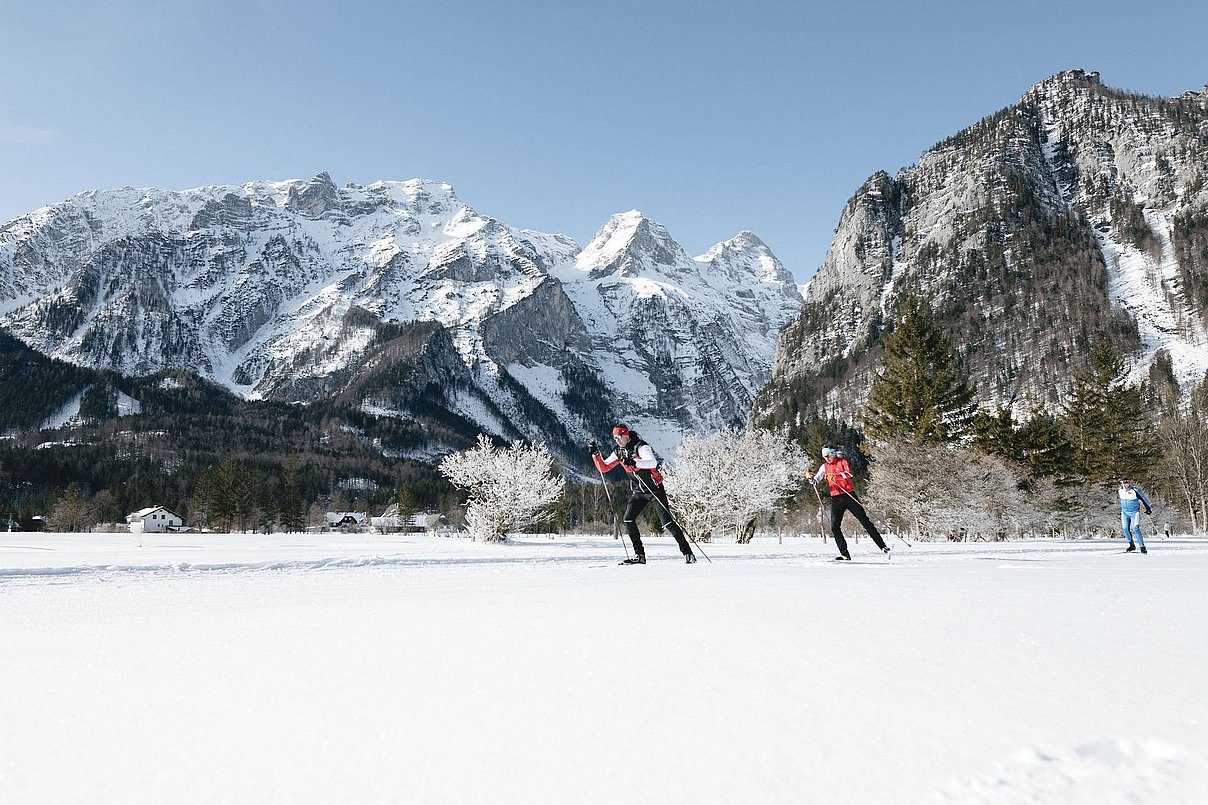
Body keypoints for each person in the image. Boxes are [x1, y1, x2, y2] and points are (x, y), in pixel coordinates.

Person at [590, 424, 696, 565]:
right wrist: (595, 454)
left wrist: (634, 461)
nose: (617, 440)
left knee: (667, 522)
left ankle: (688, 553)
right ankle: (639, 555)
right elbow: (604, 467)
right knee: (628, 519)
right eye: (615, 438)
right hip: (639, 492)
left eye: (619, 437)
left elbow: (652, 463)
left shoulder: (640, 447)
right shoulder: (618, 452)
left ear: (626, 435)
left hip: (654, 490)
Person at [810, 446, 889, 561]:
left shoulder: (842, 461)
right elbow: (816, 480)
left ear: (833, 454)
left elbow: (849, 473)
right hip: (836, 499)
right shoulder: (824, 467)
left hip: (849, 496)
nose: (826, 458)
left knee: (865, 521)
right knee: (834, 527)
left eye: (828, 456)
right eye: (824, 457)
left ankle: (883, 547)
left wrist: (836, 476)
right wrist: (811, 479)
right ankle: (845, 554)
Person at [1118, 477, 1153, 554]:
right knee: (1125, 528)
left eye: (1126, 482)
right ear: (1121, 483)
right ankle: (1131, 545)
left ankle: (1142, 547)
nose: (1125, 484)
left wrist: (1148, 508)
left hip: (1134, 512)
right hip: (1124, 512)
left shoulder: (1135, 490)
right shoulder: (1120, 491)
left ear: (1129, 483)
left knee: (1135, 528)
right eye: (1123, 483)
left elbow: (1143, 499)